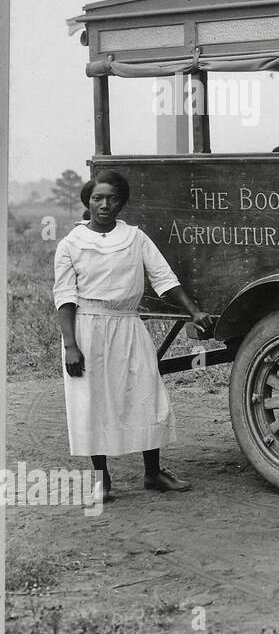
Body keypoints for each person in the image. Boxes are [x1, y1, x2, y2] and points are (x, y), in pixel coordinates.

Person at [53, 170, 214, 498]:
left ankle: (153, 473)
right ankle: (102, 480)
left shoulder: (135, 238)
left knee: (145, 394)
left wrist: (193, 311)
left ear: (122, 202)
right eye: (97, 198)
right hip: (87, 329)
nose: (104, 205)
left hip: (128, 325)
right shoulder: (71, 244)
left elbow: (164, 279)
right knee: (92, 402)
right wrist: (71, 346)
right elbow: (65, 298)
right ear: (88, 201)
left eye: (111, 198)